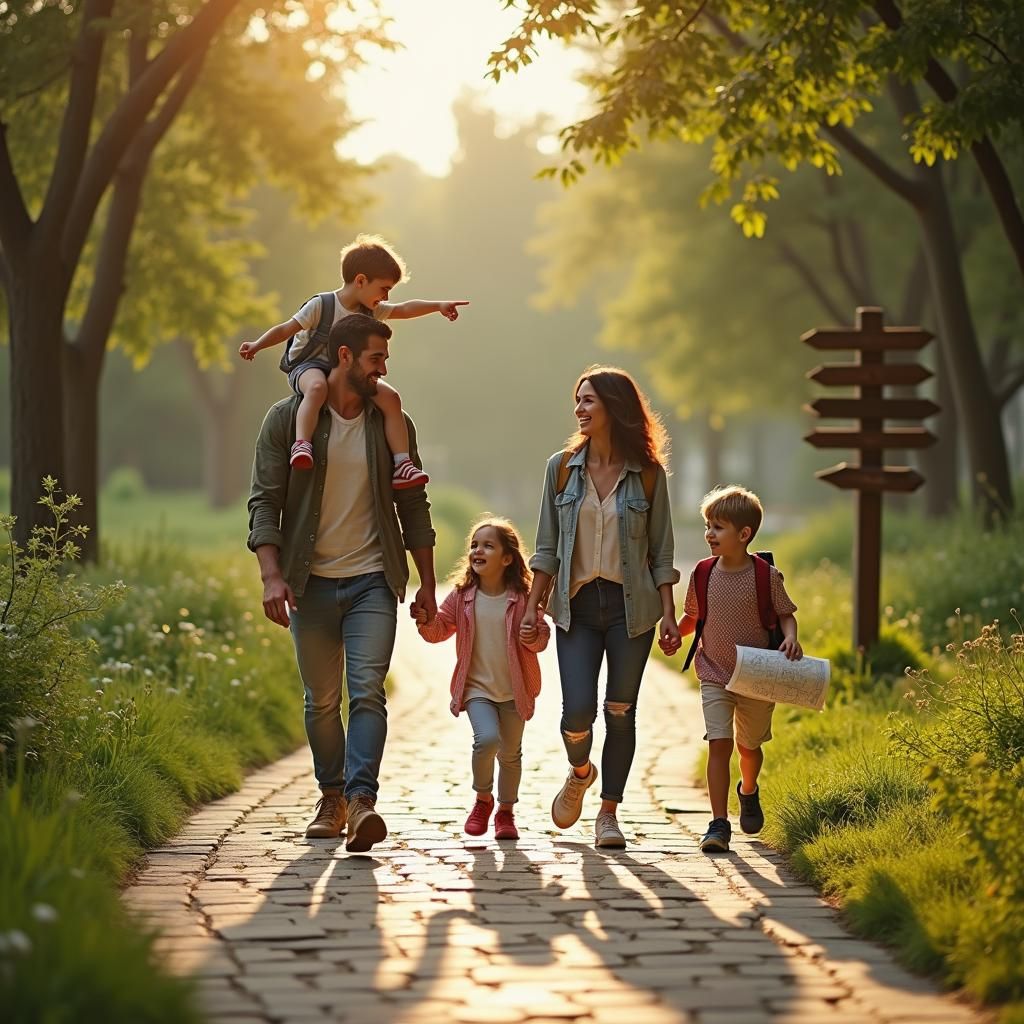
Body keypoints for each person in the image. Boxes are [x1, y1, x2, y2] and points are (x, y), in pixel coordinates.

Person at [246, 311, 437, 853]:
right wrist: (271, 575)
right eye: (375, 359)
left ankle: (360, 802)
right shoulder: (287, 420)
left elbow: (413, 504)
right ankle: (330, 795)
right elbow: (265, 502)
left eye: (386, 360)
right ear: (345, 356)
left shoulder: (390, 420)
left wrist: (426, 583)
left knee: (367, 692)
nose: (382, 370)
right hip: (309, 582)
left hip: (373, 580)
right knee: (320, 701)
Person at [522, 366, 681, 849]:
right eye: (578, 400)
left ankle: (609, 813)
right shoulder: (562, 467)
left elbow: (662, 552)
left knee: (620, 710)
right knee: (576, 713)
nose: (580, 409)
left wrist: (670, 615)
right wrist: (533, 607)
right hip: (577, 607)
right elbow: (547, 546)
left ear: (615, 406)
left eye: (589, 400)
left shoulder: (649, 476)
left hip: (632, 609)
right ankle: (580, 772)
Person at [239, 233, 468, 488]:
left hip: (346, 371)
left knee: (391, 398)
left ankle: (402, 463)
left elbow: (404, 309)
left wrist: (438, 305)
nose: (386, 297)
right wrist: (257, 345)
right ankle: (302, 444)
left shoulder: (370, 310)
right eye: (384, 289)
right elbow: (286, 329)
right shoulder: (321, 306)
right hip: (309, 365)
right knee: (317, 388)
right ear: (361, 280)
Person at [676, 485, 802, 854]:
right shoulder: (702, 573)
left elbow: (785, 616)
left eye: (718, 527)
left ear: (744, 534)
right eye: (708, 526)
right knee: (719, 743)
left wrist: (790, 639)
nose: (709, 534)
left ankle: (748, 790)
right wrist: (673, 635)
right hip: (714, 672)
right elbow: (692, 618)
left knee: (749, 748)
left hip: (756, 676)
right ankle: (718, 824)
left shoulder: (765, 575)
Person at [416, 517, 549, 841]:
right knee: (486, 740)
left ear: (507, 558)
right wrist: (424, 620)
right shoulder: (462, 596)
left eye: (488, 545)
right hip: (477, 688)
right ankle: (482, 799)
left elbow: (541, 639)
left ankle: (506, 812)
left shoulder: (523, 598)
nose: (478, 550)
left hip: (515, 690)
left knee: (511, 754)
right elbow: (439, 631)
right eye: (474, 545)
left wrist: (531, 634)